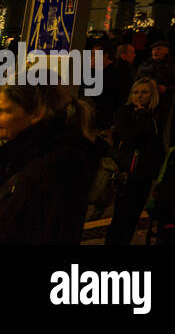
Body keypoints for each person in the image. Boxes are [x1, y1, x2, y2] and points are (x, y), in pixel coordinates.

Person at [0, 82, 101, 243]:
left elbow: (54, 231)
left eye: (4, 111)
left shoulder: (62, 162)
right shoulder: (19, 154)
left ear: (36, 114)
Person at [105, 78, 166, 245]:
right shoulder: (123, 112)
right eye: (135, 92)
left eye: (144, 92)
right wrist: (140, 118)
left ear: (152, 95)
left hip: (146, 172)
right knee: (121, 217)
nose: (139, 96)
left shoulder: (156, 114)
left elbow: (157, 143)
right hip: (129, 170)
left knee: (134, 215)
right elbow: (132, 139)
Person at [135, 39, 175, 120]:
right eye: (153, 49)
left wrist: (166, 89)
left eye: (159, 49)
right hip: (145, 102)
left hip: (163, 103)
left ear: (166, 51)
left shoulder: (173, 66)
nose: (155, 51)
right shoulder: (146, 65)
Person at [95, 44, 139, 131]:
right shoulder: (124, 71)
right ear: (123, 55)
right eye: (132, 52)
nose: (134, 55)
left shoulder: (115, 69)